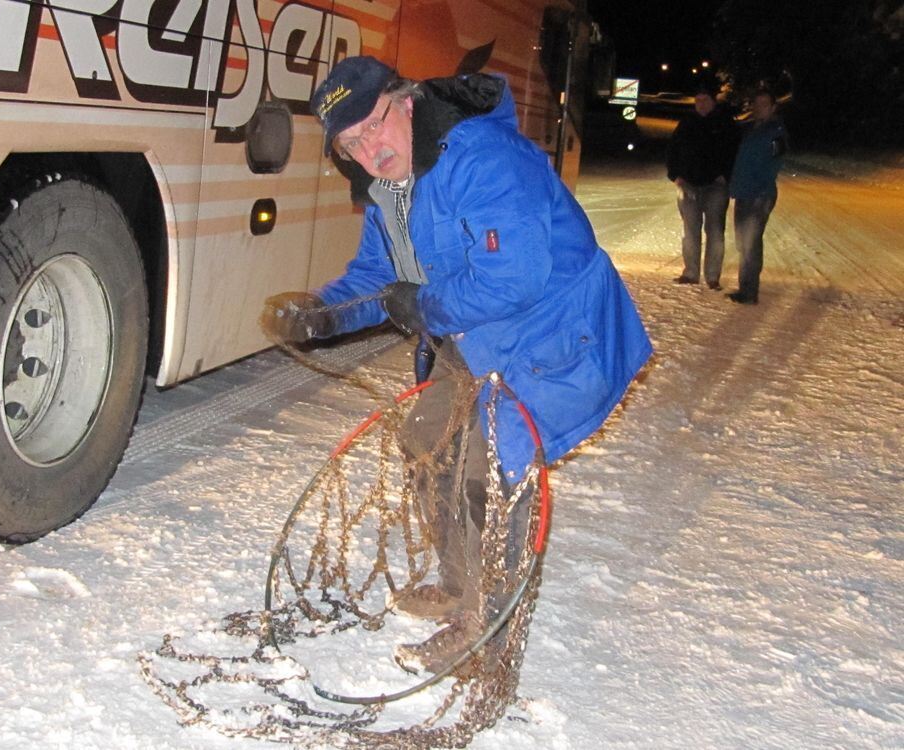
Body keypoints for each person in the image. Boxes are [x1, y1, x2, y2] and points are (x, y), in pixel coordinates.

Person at [260, 56, 652, 674]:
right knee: (427, 442)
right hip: (471, 334)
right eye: (350, 143)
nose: (369, 149)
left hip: (552, 333)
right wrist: (324, 314)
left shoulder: (482, 158)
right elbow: (380, 277)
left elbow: (516, 278)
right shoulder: (389, 188)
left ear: (406, 100)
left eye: (374, 125)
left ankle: (486, 633)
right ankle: (460, 583)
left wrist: (424, 304)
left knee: (489, 469)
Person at [665, 78, 740, 289]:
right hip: (688, 185)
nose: (701, 104)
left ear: (713, 100)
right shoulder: (687, 123)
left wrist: (725, 175)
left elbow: (735, 152)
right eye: (697, 100)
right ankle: (690, 272)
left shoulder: (725, 124)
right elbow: (672, 151)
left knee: (715, 231)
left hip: (716, 187)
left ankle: (713, 276)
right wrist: (675, 176)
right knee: (690, 230)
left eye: (705, 99)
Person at [727, 88, 788, 304]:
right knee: (742, 243)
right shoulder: (751, 129)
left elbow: (773, 165)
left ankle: (750, 291)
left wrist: (759, 188)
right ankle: (745, 287)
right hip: (743, 192)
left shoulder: (776, 132)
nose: (759, 108)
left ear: (772, 107)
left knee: (751, 243)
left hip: (759, 195)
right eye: (756, 104)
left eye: (764, 104)